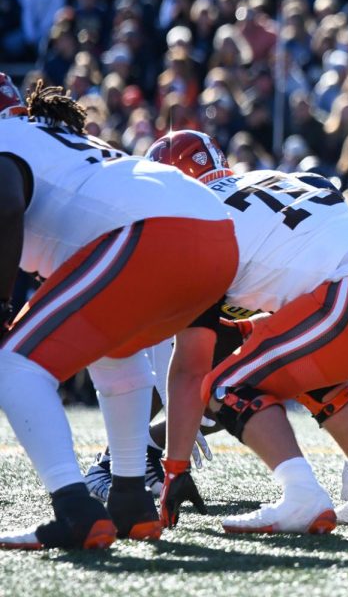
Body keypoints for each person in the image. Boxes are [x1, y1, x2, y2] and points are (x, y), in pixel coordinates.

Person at [148, 130, 348, 535]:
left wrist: (175, 468)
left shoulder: (194, 224)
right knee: (302, 363)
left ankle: (301, 493)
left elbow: (190, 370)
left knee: (224, 386)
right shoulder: (274, 179)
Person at [0, 78, 238, 550]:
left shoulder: (10, 141)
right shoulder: (58, 142)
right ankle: (130, 495)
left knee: (12, 362)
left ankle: (74, 508)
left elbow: (6, 204)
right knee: (111, 346)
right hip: (215, 233)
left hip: (150, 232)